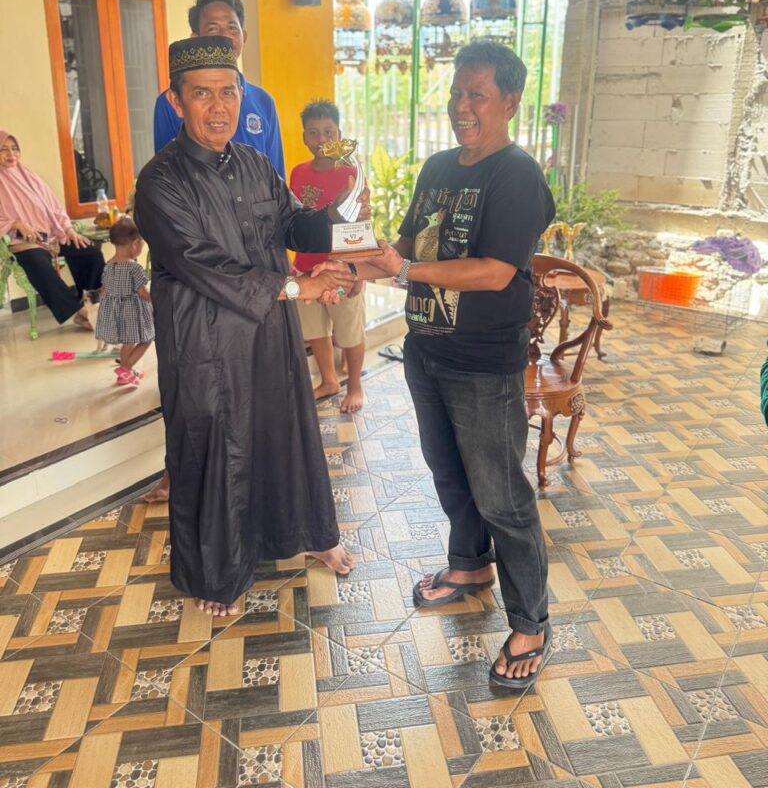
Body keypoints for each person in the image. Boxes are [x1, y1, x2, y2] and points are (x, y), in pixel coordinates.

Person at [135, 36, 359, 617]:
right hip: (205, 340)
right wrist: (299, 287)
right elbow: (199, 261)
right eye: (202, 94)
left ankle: (307, 532)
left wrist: (350, 231)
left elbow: (294, 223)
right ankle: (217, 574)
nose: (219, 107)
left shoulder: (256, 164)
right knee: (215, 448)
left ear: (242, 96)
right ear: (176, 101)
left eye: (228, 92)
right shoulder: (160, 181)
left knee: (284, 431)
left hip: (268, 332)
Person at [356, 41, 555, 690]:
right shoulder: (439, 167)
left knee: (502, 496)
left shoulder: (517, 176)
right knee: (450, 475)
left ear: (510, 102)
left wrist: (405, 270)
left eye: (477, 95)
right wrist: (354, 261)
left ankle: (531, 622)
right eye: (456, 93)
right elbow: (406, 247)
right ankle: (469, 565)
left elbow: (495, 272)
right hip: (427, 350)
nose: (462, 106)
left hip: (483, 363)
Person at [153, 0, 285, 178]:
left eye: (232, 28)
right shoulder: (172, 102)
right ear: (195, 38)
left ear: (244, 36)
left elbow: (276, 175)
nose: (225, 37)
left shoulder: (263, 101)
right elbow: (166, 171)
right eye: (213, 29)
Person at [290, 101, 366, 413]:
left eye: (328, 132)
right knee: (315, 330)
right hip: (306, 269)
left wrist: (358, 271)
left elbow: (361, 224)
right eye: (313, 132)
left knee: (349, 329)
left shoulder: (350, 172)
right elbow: (292, 221)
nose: (321, 139)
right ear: (304, 137)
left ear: (339, 135)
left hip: (341, 271)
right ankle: (329, 380)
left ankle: (355, 386)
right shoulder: (298, 173)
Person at [0, 131, 103, 331]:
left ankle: (92, 304)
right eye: (4, 149)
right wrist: (16, 223)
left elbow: (55, 208)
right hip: (23, 242)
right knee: (38, 264)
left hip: (52, 236)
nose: (11, 154)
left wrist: (69, 230)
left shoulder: (30, 177)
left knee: (89, 252)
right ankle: (78, 312)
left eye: (14, 149)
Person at [95, 217, 154, 387]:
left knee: (127, 343)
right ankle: (125, 369)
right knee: (147, 339)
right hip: (133, 313)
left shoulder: (108, 265)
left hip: (117, 313)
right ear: (135, 243)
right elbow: (143, 293)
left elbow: (104, 290)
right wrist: (158, 299)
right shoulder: (134, 268)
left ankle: (124, 373)